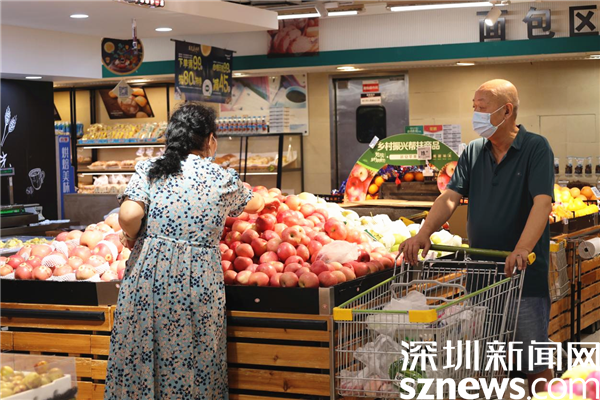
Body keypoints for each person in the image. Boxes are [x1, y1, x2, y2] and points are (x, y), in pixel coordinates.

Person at [400, 79, 554, 395]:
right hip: (481, 276)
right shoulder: (473, 151)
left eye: (482, 108)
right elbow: (450, 197)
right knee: (483, 358)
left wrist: (522, 248)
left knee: (533, 359)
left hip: (523, 276)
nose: (476, 114)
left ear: (506, 111)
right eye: (474, 107)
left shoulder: (535, 148)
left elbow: (542, 203)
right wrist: (424, 232)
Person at [104, 103, 263, 399]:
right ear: (210, 140)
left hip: (147, 274)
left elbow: (128, 214)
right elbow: (254, 203)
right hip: (199, 278)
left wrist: (134, 236)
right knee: (196, 356)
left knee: (140, 350)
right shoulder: (220, 177)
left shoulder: (151, 169)